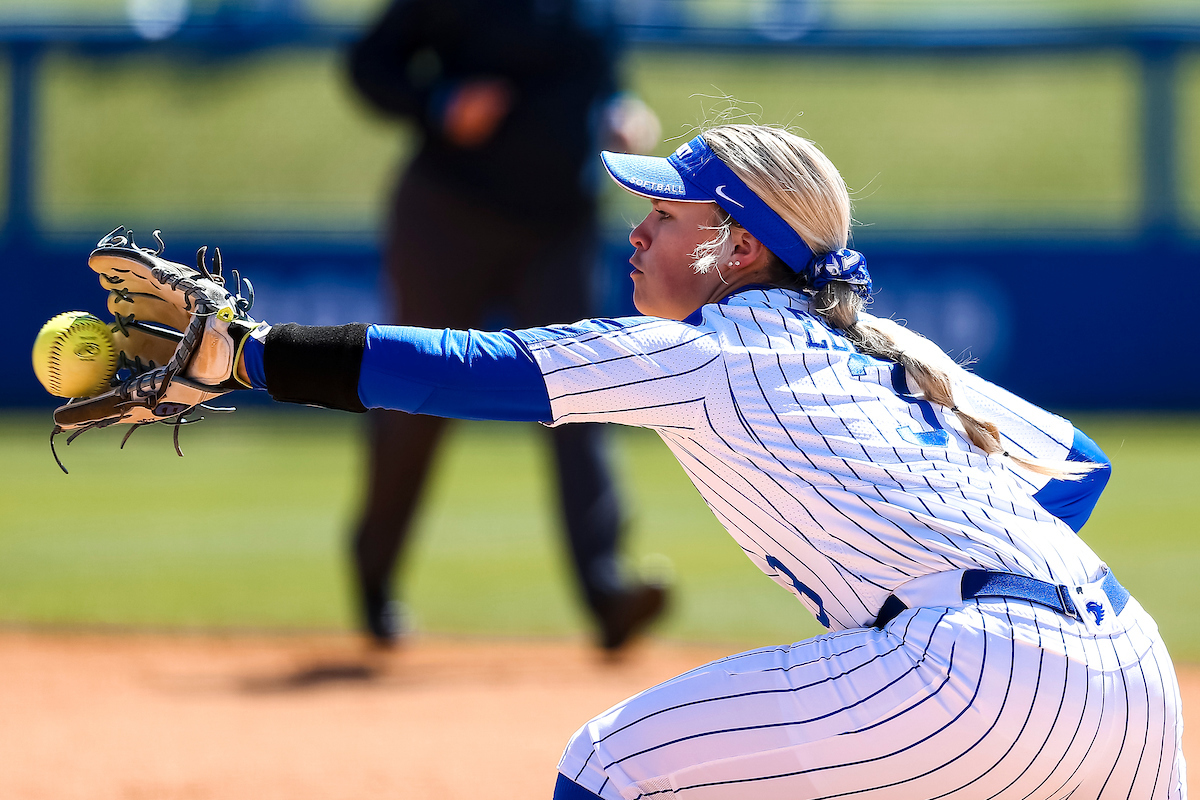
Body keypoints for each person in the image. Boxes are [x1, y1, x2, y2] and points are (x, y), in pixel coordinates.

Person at [77, 122, 1184, 799]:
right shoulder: (890, 346)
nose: (639, 229)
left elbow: (472, 366)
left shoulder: (705, 353)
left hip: (968, 674)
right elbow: (1077, 466)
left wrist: (247, 354)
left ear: (736, 247)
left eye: (666, 211)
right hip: (1133, 674)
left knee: (615, 765)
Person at [345, 0, 666, 649]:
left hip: (560, 225)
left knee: (581, 394)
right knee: (415, 393)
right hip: (450, 215)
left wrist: (622, 111)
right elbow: (368, 65)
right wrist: (438, 104)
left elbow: (598, 76)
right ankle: (375, 575)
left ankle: (605, 589)